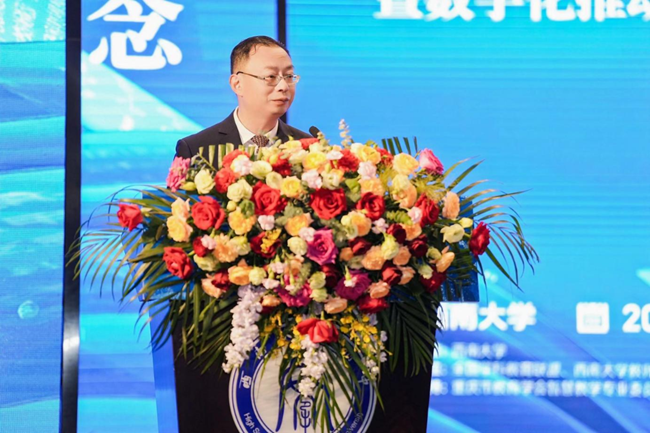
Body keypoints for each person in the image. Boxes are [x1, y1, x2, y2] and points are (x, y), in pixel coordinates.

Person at [175, 36, 311, 159]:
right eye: (270, 76)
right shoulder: (195, 150)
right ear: (237, 84)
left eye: (288, 76)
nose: (283, 86)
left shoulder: (309, 150)